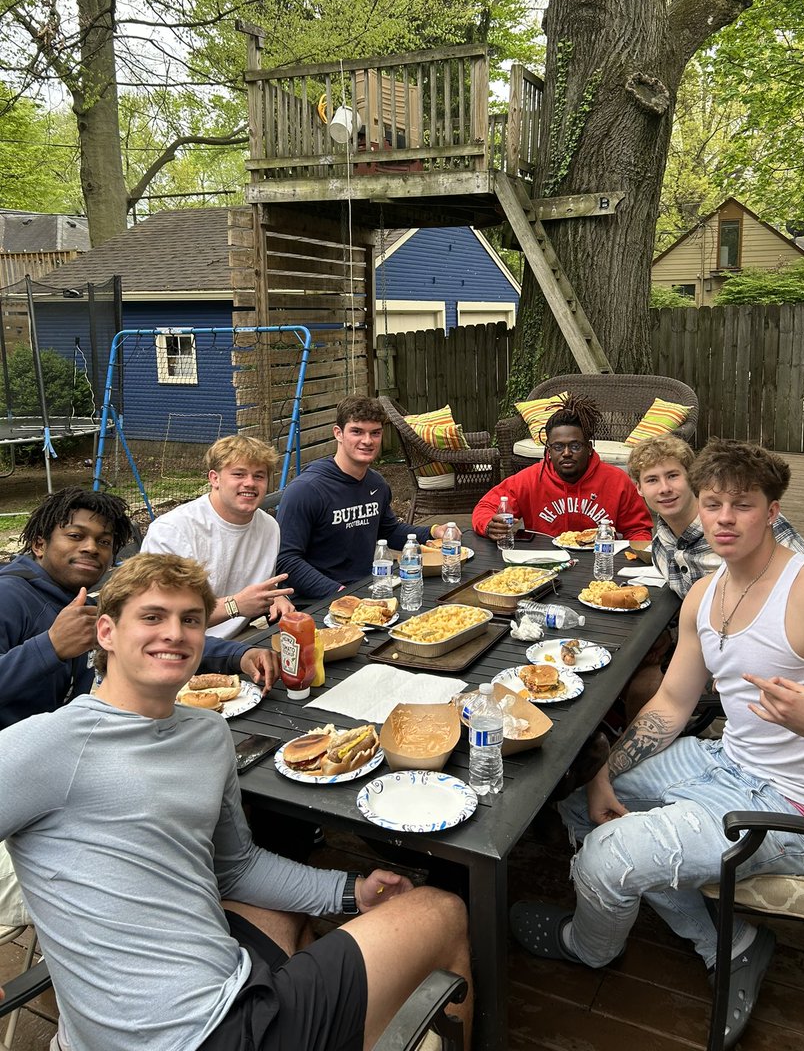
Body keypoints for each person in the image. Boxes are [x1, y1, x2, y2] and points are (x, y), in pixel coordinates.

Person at [510, 439, 804, 1049]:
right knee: (574, 798)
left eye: (741, 505)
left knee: (604, 859)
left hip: (801, 812)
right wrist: (607, 773)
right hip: (727, 762)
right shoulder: (704, 593)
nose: (722, 518)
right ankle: (731, 941)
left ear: (773, 512)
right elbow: (669, 703)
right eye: (713, 503)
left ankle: (587, 949)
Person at [0, 553, 472, 1050]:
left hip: (224, 986)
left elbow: (236, 867)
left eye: (191, 620)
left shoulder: (207, 731)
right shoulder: (49, 745)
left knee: (286, 916)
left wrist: (352, 891)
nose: (175, 634)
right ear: (106, 633)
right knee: (442, 910)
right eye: (152, 617)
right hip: (195, 1035)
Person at [0, 487, 279, 732]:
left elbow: (154, 640)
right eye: (75, 536)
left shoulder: (82, 603)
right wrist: (50, 647)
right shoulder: (10, 596)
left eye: (104, 542)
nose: (91, 548)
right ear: (39, 544)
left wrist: (240, 654)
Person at [276, 396, 447, 600]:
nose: (367, 441)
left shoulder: (377, 484)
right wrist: (339, 593)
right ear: (338, 433)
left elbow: (389, 531)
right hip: (315, 602)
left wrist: (433, 531)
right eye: (357, 431)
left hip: (367, 590)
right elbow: (286, 560)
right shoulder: (306, 490)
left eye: (375, 433)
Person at [143, 435, 294, 638]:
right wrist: (235, 605)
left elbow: (261, 586)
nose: (250, 483)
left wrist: (274, 598)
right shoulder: (172, 531)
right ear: (214, 478)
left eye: (259, 476)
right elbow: (159, 617)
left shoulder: (269, 527)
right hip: (180, 645)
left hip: (241, 640)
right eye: (239, 474)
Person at [627, 434, 804, 598]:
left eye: (673, 476)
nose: (665, 489)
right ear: (639, 488)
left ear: (691, 478)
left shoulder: (749, 523)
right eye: (652, 480)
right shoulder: (661, 546)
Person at [472, 394, 652, 541]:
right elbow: (485, 507)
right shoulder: (529, 479)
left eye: (575, 446)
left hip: (599, 563)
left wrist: (632, 560)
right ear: (548, 451)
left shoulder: (617, 481)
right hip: (543, 564)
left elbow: (639, 530)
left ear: (589, 448)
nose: (566, 453)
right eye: (558, 447)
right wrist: (489, 524)